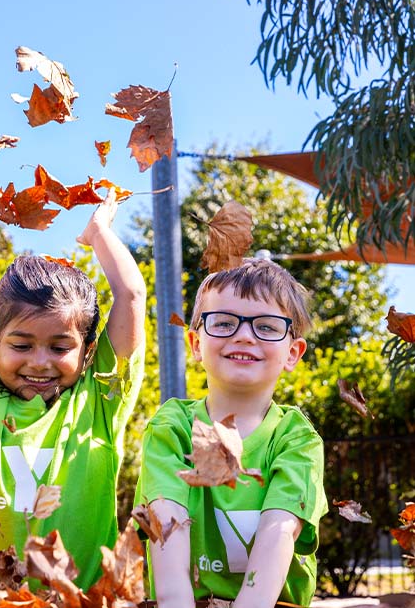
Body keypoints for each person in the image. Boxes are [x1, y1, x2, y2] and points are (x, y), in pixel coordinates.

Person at [0, 165, 147, 589]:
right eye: (22, 345)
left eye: (61, 347)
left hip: (79, 601)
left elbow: (131, 295)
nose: (40, 362)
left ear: (87, 352)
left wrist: (99, 231)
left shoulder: (99, 402)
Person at [135, 258, 327, 608]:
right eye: (223, 323)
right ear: (195, 344)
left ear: (293, 353)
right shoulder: (172, 427)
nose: (244, 334)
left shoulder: (295, 437)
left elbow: (279, 529)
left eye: (267, 327)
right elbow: (167, 525)